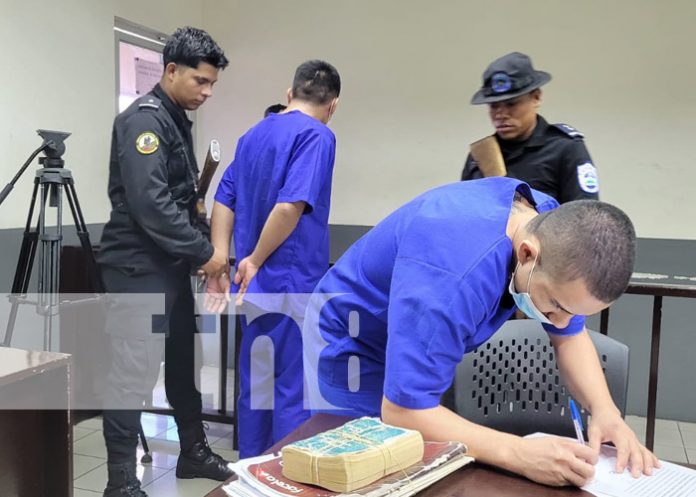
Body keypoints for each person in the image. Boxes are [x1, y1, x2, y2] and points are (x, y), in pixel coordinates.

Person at [303, 177, 658, 487]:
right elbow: (403, 410)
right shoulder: (452, 275)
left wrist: (604, 410)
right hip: (351, 341)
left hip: (411, 331)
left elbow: (569, 336)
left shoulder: (546, 226)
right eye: (556, 307)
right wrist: (517, 452)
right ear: (527, 253)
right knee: (358, 471)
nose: (560, 322)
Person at [97, 27, 233, 497]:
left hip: (168, 265)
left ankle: (192, 452)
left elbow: (180, 202)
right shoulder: (145, 122)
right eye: (200, 81)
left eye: (212, 84)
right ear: (171, 71)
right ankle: (121, 483)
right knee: (132, 374)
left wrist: (200, 251)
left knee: (181, 363)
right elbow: (150, 204)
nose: (207, 92)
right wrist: (207, 255)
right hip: (139, 270)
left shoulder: (175, 119)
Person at [206, 59, 341, 458]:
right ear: (333, 105)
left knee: (258, 384)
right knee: (292, 388)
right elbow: (289, 207)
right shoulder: (317, 136)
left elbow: (223, 198)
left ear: (289, 93)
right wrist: (257, 259)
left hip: (252, 289)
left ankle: (250, 471)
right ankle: (286, 475)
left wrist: (223, 258)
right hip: (291, 283)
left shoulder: (252, 135)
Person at [461, 52, 599, 203]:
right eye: (494, 106)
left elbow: (585, 216)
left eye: (511, 104)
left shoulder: (565, 149)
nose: (501, 114)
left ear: (536, 97)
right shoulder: (480, 156)